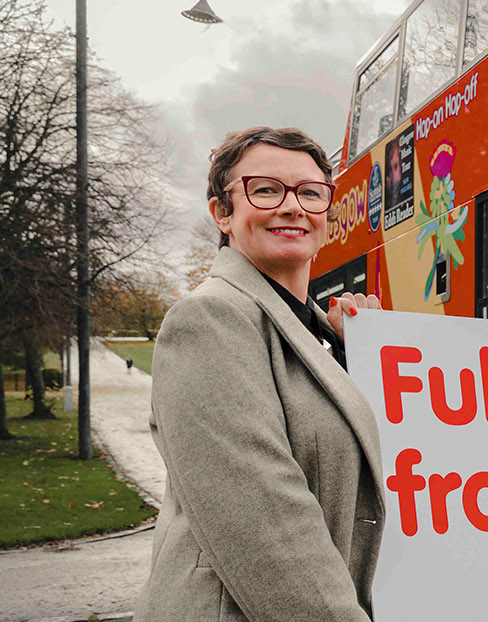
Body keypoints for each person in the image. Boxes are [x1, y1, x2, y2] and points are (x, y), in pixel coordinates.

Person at [136, 127, 384, 621]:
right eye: (266, 190)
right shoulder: (208, 319)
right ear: (222, 214)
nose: (292, 207)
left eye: (310, 193)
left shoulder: (319, 332)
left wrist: (358, 354)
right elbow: (266, 523)